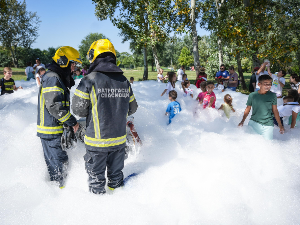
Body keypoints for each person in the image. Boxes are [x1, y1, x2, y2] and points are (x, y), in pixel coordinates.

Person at [72, 39, 138, 194]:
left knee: (96, 183)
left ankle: (99, 213)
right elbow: (132, 108)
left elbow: (78, 110)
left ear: (93, 56)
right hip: (119, 142)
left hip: (97, 143)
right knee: (116, 181)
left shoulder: (89, 80)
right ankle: (117, 208)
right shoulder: (123, 80)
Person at [37, 46, 82, 189]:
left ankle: (61, 194)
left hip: (55, 131)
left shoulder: (56, 77)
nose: (74, 68)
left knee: (62, 165)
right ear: (63, 61)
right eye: (73, 63)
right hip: (50, 132)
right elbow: (54, 106)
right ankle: (57, 196)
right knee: (58, 172)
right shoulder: (52, 78)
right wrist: (72, 121)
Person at [238, 75, 284, 140]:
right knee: (251, 144)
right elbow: (248, 108)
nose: (268, 86)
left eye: (270, 84)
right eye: (266, 84)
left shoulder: (273, 95)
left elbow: (275, 110)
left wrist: (280, 125)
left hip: (268, 125)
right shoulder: (252, 95)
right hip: (253, 123)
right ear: (259, 84)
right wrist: (242, 121)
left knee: (267, 145)